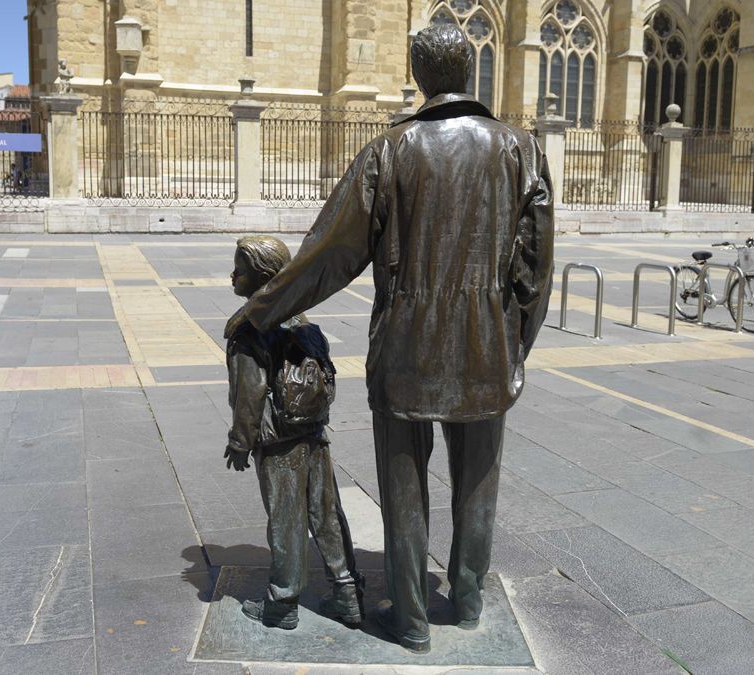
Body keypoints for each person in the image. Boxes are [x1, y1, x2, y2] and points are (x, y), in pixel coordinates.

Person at [225, 25, 554, 653]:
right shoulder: (522, 149)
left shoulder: (390, 151)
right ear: (469, 72)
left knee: (404, 491)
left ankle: (410, 619)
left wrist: (259, 310)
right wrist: (513, 348)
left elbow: (328, 253)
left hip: (405, 351)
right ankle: (467, 599)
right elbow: (534, 272)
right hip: (487, 348)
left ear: (419, 75)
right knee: (477, 485)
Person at [225, 235, 364, 631]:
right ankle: (347, 594)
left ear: (263, 277)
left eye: (240, 270)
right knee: (326, 513)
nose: (232, 275)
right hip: (313, 432)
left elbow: (249, 394)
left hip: (278, 440)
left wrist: (240, 442)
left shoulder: (250, 328)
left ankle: (282, 603)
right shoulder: (300, 319)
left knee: (286, 519)